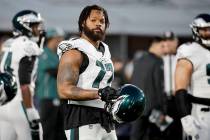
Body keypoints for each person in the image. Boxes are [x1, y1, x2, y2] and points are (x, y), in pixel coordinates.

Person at [57, 5, 119, 140]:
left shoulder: (104, 51)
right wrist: (99, 93)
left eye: (102, 21)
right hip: (82, 119)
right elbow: (64, 90)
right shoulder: (74, 51)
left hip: (106, 119)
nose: (98, 24)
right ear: (83, 23)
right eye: (93, 20)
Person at [0, 10, 45, 140]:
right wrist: (30, 111)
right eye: (35, 26)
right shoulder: (28, 46)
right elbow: (25, 84)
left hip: (4, 104)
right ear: (26, 26)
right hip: (21, 104)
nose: (38, 29)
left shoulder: (8, 43)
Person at [174, 13, 210, 140]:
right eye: (205, 29)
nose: (208, 33)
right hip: (200, 113)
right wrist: (185, 116)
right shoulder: (189, 50)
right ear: (196, 30)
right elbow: (180, 88)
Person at [130, 36, 168, 140]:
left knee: (136, 136)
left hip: (136, 106)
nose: (164, 50)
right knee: (155, 136)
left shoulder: (139, 60)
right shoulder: (158, 61)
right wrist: (163, 109)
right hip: (152, 109)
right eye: (162, 46)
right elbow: (159, 86)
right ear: (154, 45)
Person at [35, 27, 66, 140]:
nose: (60, 42)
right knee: (48, 130)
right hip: (47, 97)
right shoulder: (44, 53)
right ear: (51, 39)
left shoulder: (57, 55)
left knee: (61, 131)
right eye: (58, 39)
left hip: (59, 96)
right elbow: (55, 71)